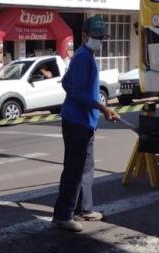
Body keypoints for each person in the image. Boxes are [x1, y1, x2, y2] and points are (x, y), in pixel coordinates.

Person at [53, 16, 121, 232]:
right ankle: (63, 215)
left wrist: (92, 104)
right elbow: (79, 92)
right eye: (96, 37)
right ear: (84, 35)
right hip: (76, 122)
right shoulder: (83, 57)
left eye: (102, 37)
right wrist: (103, 108)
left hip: (85, 122)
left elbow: (66, 83)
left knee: (86, 167)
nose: (99, 41)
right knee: (74, 168)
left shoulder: (86, 57)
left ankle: (84, 208)